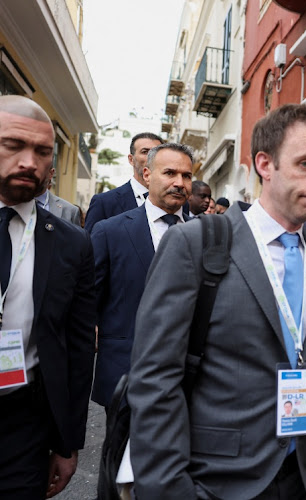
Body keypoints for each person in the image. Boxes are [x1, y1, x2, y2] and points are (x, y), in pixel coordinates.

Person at [128, 103, 306, 500]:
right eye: (305, 164)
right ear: (265, 164)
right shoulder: (194, 243)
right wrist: (170, 488)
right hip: (219, 479)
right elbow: (156, 377)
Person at [0, 95, 96, 498]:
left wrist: (67, 442)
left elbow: (76, 348)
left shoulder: (72, 244)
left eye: (42, 151)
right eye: (13, 145)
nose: (29, 161)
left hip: (24, 424)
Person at [90, 143, 192, 409]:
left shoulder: (208, 234)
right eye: (170, 173)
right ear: (147, 175)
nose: (179, 183)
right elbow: (90, 300)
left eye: (186, 176)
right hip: (126, 371)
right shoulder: (110, 232)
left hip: (190, 378)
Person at [84, 132, 164, 232]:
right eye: (145, 152)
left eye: (156, 152)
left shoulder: (177, 202)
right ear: (131, 159)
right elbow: (89, 245)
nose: (151, 157)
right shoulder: (105, 202)